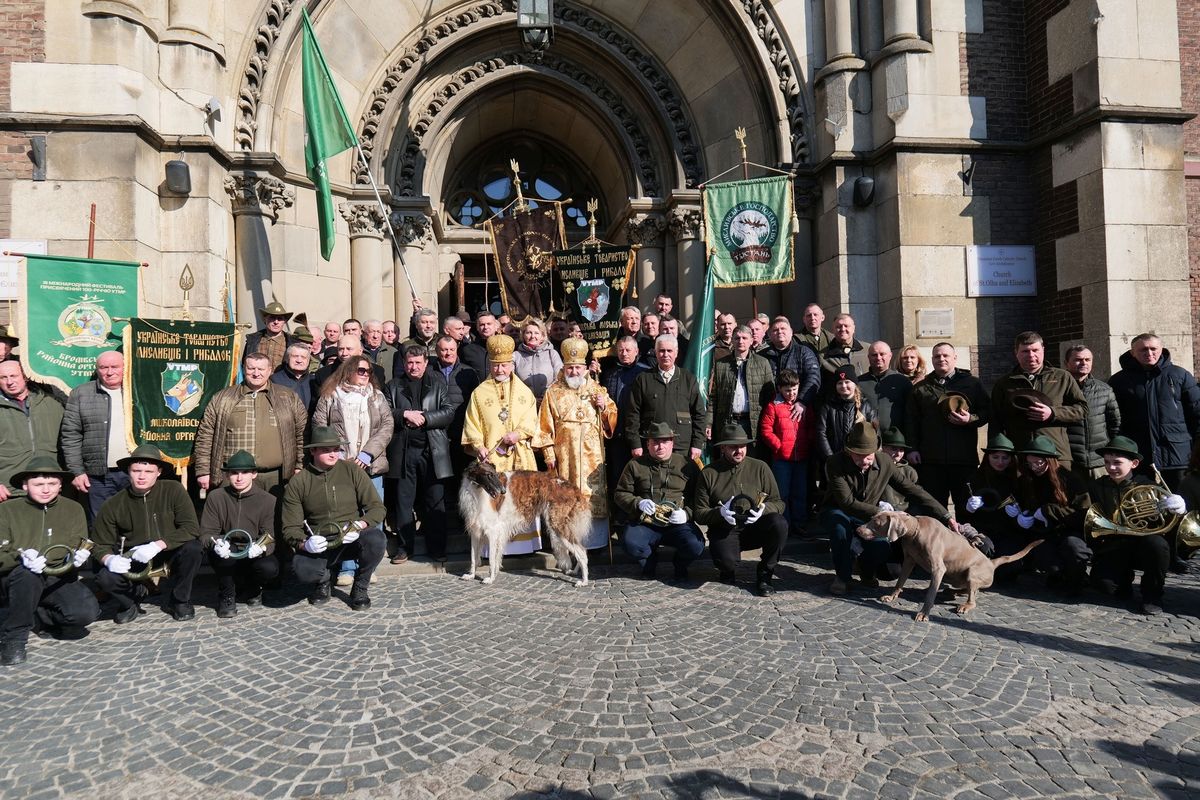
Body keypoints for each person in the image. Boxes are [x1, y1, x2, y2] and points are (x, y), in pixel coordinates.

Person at [820, 422, 955, 594]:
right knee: (840, 530)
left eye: (868, 456)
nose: (863, 461)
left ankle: (866, 572)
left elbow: (912, 490)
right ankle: (842, 577)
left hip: (868, 515)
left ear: (876, 451)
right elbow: (847, 502)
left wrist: (945, 516)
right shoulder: (835, 462)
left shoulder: (885, 462)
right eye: (857, 456)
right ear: (848, 451)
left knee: (881, 546)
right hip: (837, 509)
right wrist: (882, 512)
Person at [0, 456, 99, 665]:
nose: (46, 489)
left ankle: (41, 615)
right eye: (38, 484)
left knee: (85, 613)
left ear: (60, 485)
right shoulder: (7, 510)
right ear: (25, 485)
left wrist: (76, 557)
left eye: (52, 483)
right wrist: (20, 558)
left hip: (57, 575)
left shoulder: (73, 509)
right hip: (17, 576)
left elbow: (77, 543)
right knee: (27, 576)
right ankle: (14, 638)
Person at [93, 444, 202, 622]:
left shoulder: (173, 490)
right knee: (104, 577)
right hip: (134, 557)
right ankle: (129, 602)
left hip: (168, 551)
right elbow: (99, 543)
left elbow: (191, 528)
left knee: (193, 549)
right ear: (129, 471)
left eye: (148, 471)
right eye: (136, 470)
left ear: (158, 472)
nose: (142, 476)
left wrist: (159, 544)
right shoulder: (113, 503)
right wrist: (109, 559)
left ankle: (180, 600)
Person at [281, 427, 386, 610]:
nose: (333, 454)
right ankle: (323, 582)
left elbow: (377, 508)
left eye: (336, 449)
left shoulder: (352, 470)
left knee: (376, 540)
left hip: (349, 537)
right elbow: (290, 527)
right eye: (326, 450)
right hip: (320, 541)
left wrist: (359, 525)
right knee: (302, 568)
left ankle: (360, 586)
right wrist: (304, 543)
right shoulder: (299, 482)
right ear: (313, 451)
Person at [461, 334, 541, 554]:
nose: (500, 370)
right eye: (495, 366)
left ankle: (524, 546)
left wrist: (518, 434)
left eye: (504, 365)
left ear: (511, 365)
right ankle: (494, 548)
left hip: (519, 456)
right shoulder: (479, 393)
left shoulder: (525, 393)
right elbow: (472, 423)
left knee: (520, 498)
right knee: (493, 502)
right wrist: (479, 446)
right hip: (492, 460)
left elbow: (532, 421)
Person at [536, 338, 618, 549]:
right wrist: (549, 455)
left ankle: (596, 544)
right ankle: (568, 545)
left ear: (585, 368)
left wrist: (604, 408)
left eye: (578, 367)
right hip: (565, 455)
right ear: (564, 367)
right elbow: (544, 428)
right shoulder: (553, 392)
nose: (574, 372)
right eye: (570, 367)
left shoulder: (597, 390)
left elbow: (612, 419)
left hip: (592, 457)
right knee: (566, 499)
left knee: (593, 496)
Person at [193, 352, 307, 498]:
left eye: (261, 369)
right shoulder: (223, 398)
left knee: (274, 519)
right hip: (233, 477)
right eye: (251, 368)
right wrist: (203, 471)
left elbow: (302, 433)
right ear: (243, 368)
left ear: (270, 370)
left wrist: (299, 466)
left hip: (276, 477)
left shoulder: (288, 397)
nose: (256, 373)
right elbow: (206, 435)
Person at [692, 424, 788, 595]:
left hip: (755, 526)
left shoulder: (760, 467)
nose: (739, 451)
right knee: (726, 563)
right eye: (733, 447)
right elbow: (699, 513)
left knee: (779, 524)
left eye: (742, 446)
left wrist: (764, 509)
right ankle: (727, 568)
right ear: (723, 448)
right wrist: (719, 513)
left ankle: (765, 574)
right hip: (726, 528)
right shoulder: (709, 473)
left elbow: (779, 503)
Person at [1086, 436, 1177, 615]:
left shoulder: (1148, 486)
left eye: (1117, 462)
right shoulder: (1097, 486)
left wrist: (1174, 509)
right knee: (1104, 586)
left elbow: (1165, 522)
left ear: (1134, 463)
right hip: (1115, 544)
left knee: (1158, 545)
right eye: (1107, 462)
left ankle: (1152, 595)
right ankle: (1123, 579)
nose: (1111, 467)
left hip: (1143, 544)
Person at [385, 346, 453, 563]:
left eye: (417, 363)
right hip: (404, 453)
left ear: (425, 363)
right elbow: (384, 413)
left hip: (432, 451)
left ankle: (438, 548)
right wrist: (404, 414)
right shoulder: (393, 386)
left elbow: (449, 412)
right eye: (409, 363)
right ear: (404, 364)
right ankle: (405, 548)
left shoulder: (437, 384)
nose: (413, 367)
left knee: (435, 501)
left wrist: (426, 418)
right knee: (404, 502)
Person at [904, 342, 990, 512]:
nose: (941, 359)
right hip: (931, 461)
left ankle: (968, 540)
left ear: (955, 358)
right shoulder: (921, 388)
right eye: (937, 356)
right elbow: (911, 421)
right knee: (935, 511)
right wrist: (912, 449)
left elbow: (988, 412)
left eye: (945, 355)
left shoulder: (972, 384)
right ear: (932, 359)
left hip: (963, 460)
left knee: (968, 509)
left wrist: (970, 419)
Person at [614, 421, 704, 582]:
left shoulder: (687, 465)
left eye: (665, 441)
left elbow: (700, 497)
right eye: (655, 442)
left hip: (677, 524)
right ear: (647, 444)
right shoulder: (635, 465)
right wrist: (638, 503)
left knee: (695, 545)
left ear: (672, 443)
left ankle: (680, 564)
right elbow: (620, 494)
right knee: (630, 543)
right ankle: (649, 563)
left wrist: (687, 513)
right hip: (646, 522)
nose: (660, 446)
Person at [1108, 333, 1200, 491]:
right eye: (1143, 349)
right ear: (1132, 352)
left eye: (1153, 349)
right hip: (1138, 454)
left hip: (1177, 453)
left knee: (1180, 502)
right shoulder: (1118, 381)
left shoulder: (1180, 375)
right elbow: (1113, 419)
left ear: (1161, 349)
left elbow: (1197, 412)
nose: (1149, 353)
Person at [990, 331, 1088, 468]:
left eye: (1035, 350)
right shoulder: (1005, 383)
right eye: (1025, 351)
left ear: (1043, 350)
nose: (1031, 355)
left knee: (1058, 489)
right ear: (1016, 353)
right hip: (1020, 453)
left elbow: (1082, 409)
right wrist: (997, 452)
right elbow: (995, 420)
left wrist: (1053, 413)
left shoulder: (1062, 377)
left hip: (1056, 453)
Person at [199, 450, 279, 618]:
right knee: (221, 555)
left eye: (245, 472)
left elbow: (270, 536)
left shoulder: (268, 500)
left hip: (253, 551)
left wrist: (262, 548)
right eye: (234, 473)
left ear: (254, 474)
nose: (239, 477)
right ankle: (227, 595)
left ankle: (254, 587)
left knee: (269, 568)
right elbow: (207, 533)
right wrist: (217, 543)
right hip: (229, 550)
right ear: (228, 475)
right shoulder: (216, 497)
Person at [1010, 435, 1092, 595]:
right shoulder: (1027, 480)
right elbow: (1022, 504)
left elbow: (1084, 514)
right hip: (1044, 533)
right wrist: (1022, 515)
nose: (1034, 467)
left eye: (1039, 462)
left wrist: (1049, 511)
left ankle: (1078, 578)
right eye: (1030, 463)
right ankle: (1059, 574)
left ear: (1050, 460)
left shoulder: (1071, 479)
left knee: (1074, 549)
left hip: (1070, 531)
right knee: (1046, 559)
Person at [60, 350, 131, 521]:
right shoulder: (80, 394)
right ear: (97, 370)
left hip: (134, 473)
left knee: (133, 521)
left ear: (125, 367)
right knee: (100, 523)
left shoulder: (138, 392)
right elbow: (70, 435)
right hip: (98, 475)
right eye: (103, 367)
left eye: (115, 367)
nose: (109, 372)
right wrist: (76, 471)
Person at [625, 334, 706, 462]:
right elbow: (632, 414)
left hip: (681, 446)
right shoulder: (643, 379)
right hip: (653, 445)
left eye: (669, 351)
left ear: (676, 353)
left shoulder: (688, 379)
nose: (665, 355)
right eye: (662, 351)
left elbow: (699, 415)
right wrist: (635, 444)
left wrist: (697, 444)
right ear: (656, 353)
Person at [0, 359, 64, 502]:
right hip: (9, 489)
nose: (9, 382)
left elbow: (70, 441)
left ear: (26, 377)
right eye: (3, 378)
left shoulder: (52, 403)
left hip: (49, 486)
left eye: (14, 376)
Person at [759, 369, 812, 535]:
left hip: (801, 457)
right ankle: (785, 525)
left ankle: (800, 523)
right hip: (781, 458)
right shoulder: (773, 406)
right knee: (783, 493)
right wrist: (778, 445)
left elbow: (811, 426)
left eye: (794, 390)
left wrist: (808, 443)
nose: (791, 394)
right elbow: (766, 429)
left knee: (800, 492)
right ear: (780, 389)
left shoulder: (804, 406)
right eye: (787, 390)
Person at [601, 336, 650, 499]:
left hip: (638, 435)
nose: (624, 353)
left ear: (636, 351)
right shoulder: (609, 374)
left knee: (639, 476)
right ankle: (619, 515)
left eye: (628, 350)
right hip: (616, 435)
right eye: (621, 350)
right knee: (618, 475)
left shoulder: (645, 372)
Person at [1064, 344, 1121, 481]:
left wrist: (1109, 453)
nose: (1083, 363)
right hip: (1070, 461)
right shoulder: (1060, 390)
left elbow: (1115, 423)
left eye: (1087, 359)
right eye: (1078, 359)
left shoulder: (1104, 390)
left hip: (1099, 462)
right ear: (1066, 363)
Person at [707, 324, 773, 442]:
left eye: (744, 338)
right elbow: (713, 397)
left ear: (751, 341)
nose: (740, 341)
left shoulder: (763, 363)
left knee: (751, 458)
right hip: (728, 421)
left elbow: (770, 396)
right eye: (737, 338)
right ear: (732, 340)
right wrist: (708, 423)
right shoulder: (721, 364)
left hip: (753, 421)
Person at [816, 366, 877, 463]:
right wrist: (830, 457)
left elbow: (875, 432)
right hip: (835, 459)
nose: (843, 386)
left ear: (855, 384)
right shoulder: (828, 407)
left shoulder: (866, 406)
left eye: (847, 382)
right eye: (840, 383)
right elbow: (821, 432)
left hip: (860, 460)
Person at [760, 317, 820, 410]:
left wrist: (802, 401)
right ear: (769, 335)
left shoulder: (804, 352)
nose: (780, 332)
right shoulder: (761, 356)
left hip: (798, 409)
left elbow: (813, 377)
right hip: (769, 409)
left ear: (791, 332)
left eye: (783, 328)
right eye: (775, 330)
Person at [858, 341, 912, 435]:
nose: (878, 358)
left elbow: (911, 415)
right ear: (868, 357)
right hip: (867, 441)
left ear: (890, 355)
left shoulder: (902, 381)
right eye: (874, 355)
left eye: (882, 354)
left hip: (895, 441)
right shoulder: (859, 383)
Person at [513, 317, 562, 403]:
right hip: (524, 402)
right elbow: (512, 382)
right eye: (528, 333)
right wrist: (530, 399)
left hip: (549, 401)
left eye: (536, 333)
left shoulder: (552, 353)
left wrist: (546, 395)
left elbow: (560, 378)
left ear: (543, 336)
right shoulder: (516, 356)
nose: (532, 336)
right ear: (523, 335)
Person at [817, 313, 868, 393]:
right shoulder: (823, 356)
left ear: (854, 328)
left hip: (866, 401)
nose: (843, 329)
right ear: (833, 330)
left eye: (846, 326)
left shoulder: (867, 350)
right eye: (838, 327)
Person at [314, 333, 386, 388]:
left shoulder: (377, 372)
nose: (344, 353)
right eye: (341, 349)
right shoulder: (323, 374)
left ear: (360, 351)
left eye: (349, 349)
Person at [244, 300, 295, 371]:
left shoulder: (292, 343)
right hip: (256, 380)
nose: (276, 322)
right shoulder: (252, 341)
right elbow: (245, 364)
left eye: (280, 319)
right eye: (272, 317)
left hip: (282, 382)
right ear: (265, 319)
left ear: (285, 321)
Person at [271, 341, 319, 416]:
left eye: (303, 357)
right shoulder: (275, 380)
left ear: (309, 360)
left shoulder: (314, 381)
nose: (299, 360)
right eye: (295, 356)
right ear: (287, 359)